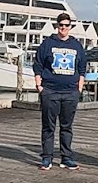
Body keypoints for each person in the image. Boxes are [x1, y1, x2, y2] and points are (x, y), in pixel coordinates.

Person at [33, 12, 87, 170]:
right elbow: (38, 65)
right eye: (61, 25)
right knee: (48, 126)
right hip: (50, 91)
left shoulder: (76, 45)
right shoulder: (47, 44)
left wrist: (79, 88)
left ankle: (66, 157)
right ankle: (47, 158)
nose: (63, 28)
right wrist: (39, 86)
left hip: (70, 92)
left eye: (66, 25)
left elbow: (82, 68)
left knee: (67, 127)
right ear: (57, 26)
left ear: (70, 27)